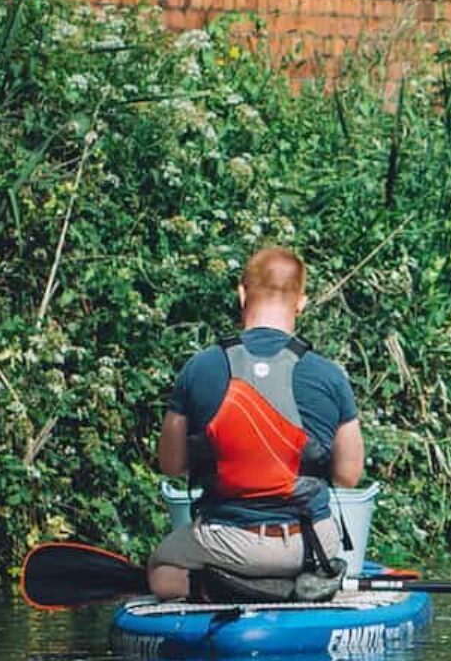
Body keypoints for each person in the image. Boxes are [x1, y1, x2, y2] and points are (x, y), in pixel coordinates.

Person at [148, 247, 363, 600]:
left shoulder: (199, 368)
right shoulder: (329, 375)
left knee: (159, 568)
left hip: (228, 541)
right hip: (309, 543)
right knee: (322, 533)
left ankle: (225, 588)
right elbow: (348, 476)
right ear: (302, 302)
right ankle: (291, 587)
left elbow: (171, 465)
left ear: (242, 293)